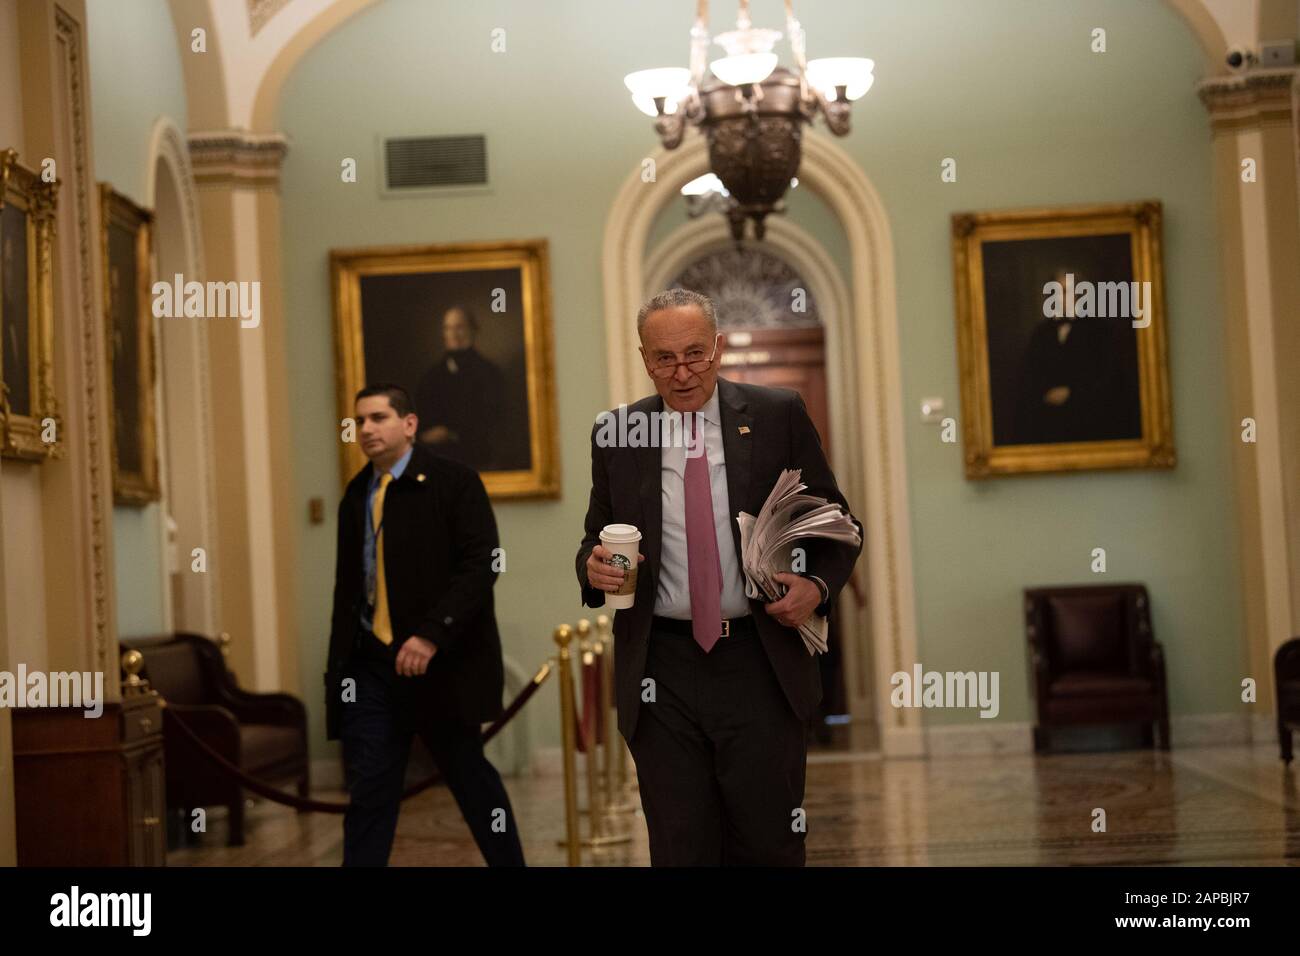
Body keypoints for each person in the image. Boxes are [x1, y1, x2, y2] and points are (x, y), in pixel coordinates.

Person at [575, 289, 863, 866]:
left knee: (768, 844)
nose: (682, 373)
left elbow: (836, 522)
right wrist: (592, 565)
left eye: (695, 354)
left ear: (719, 348)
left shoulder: (777, 414)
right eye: (664, 358)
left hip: (759, 660)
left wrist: (816, 587)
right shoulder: (618, 433)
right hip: (662, 670)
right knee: (681, 845)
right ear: (644, 358)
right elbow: (595, 535)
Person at [325, 383, 525, 866]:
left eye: (378, 417)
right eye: (360, 421)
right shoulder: (356, 494)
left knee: (471, 781)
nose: (367, 429)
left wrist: (432, 633)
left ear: (409, 424)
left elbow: (482, 564)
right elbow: (348, 588)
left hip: (443, 665)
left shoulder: (454, 482)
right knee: (370, 786)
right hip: (373, 667)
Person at [415, 306, 505, 469]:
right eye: (448, 328)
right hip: (437, 461)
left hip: (478, 459)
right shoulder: (430, 377)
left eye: (459, 327)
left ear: (473, 330)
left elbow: (495, 422)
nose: (453, 334)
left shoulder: (490, 373)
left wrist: (451, 434)